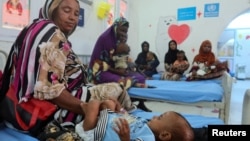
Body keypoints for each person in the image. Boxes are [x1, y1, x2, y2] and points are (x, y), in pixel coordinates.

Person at [0, 0, 134, 137]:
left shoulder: (46, 31)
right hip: (45, 110)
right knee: (116, 94)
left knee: (112, 100)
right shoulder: (50, 31)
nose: (72, 18)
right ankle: (132, 126)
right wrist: (84, 107)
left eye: (76, 13)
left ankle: (128, 124)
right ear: (53, 9)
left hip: (61, 98)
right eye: (66, 10)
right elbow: (51, 90)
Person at [88, 17, 152, 112]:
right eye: (121, 30)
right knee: (122, 81)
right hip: (100, 71)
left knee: (140, 78)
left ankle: (140, 103)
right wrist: (119, 71)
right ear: (115, 27)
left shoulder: (120, 39)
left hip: (114, 69)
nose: (123, 33)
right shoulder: (105, 39)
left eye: (125, 31)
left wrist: (128, 65)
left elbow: (120, 60)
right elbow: (100, 65)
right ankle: (126, 103)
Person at [75, 99, 195, 141]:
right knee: (109, 103)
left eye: (159, 118)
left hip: (99, 133)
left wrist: (125, 138)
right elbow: (128, 117)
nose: (154, 117)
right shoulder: (145, 124)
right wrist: (120, 109)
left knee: (94, 103)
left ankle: (87, 120)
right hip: (110, 121)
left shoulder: (148, 138)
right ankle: (93, 114)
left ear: (164, 135)